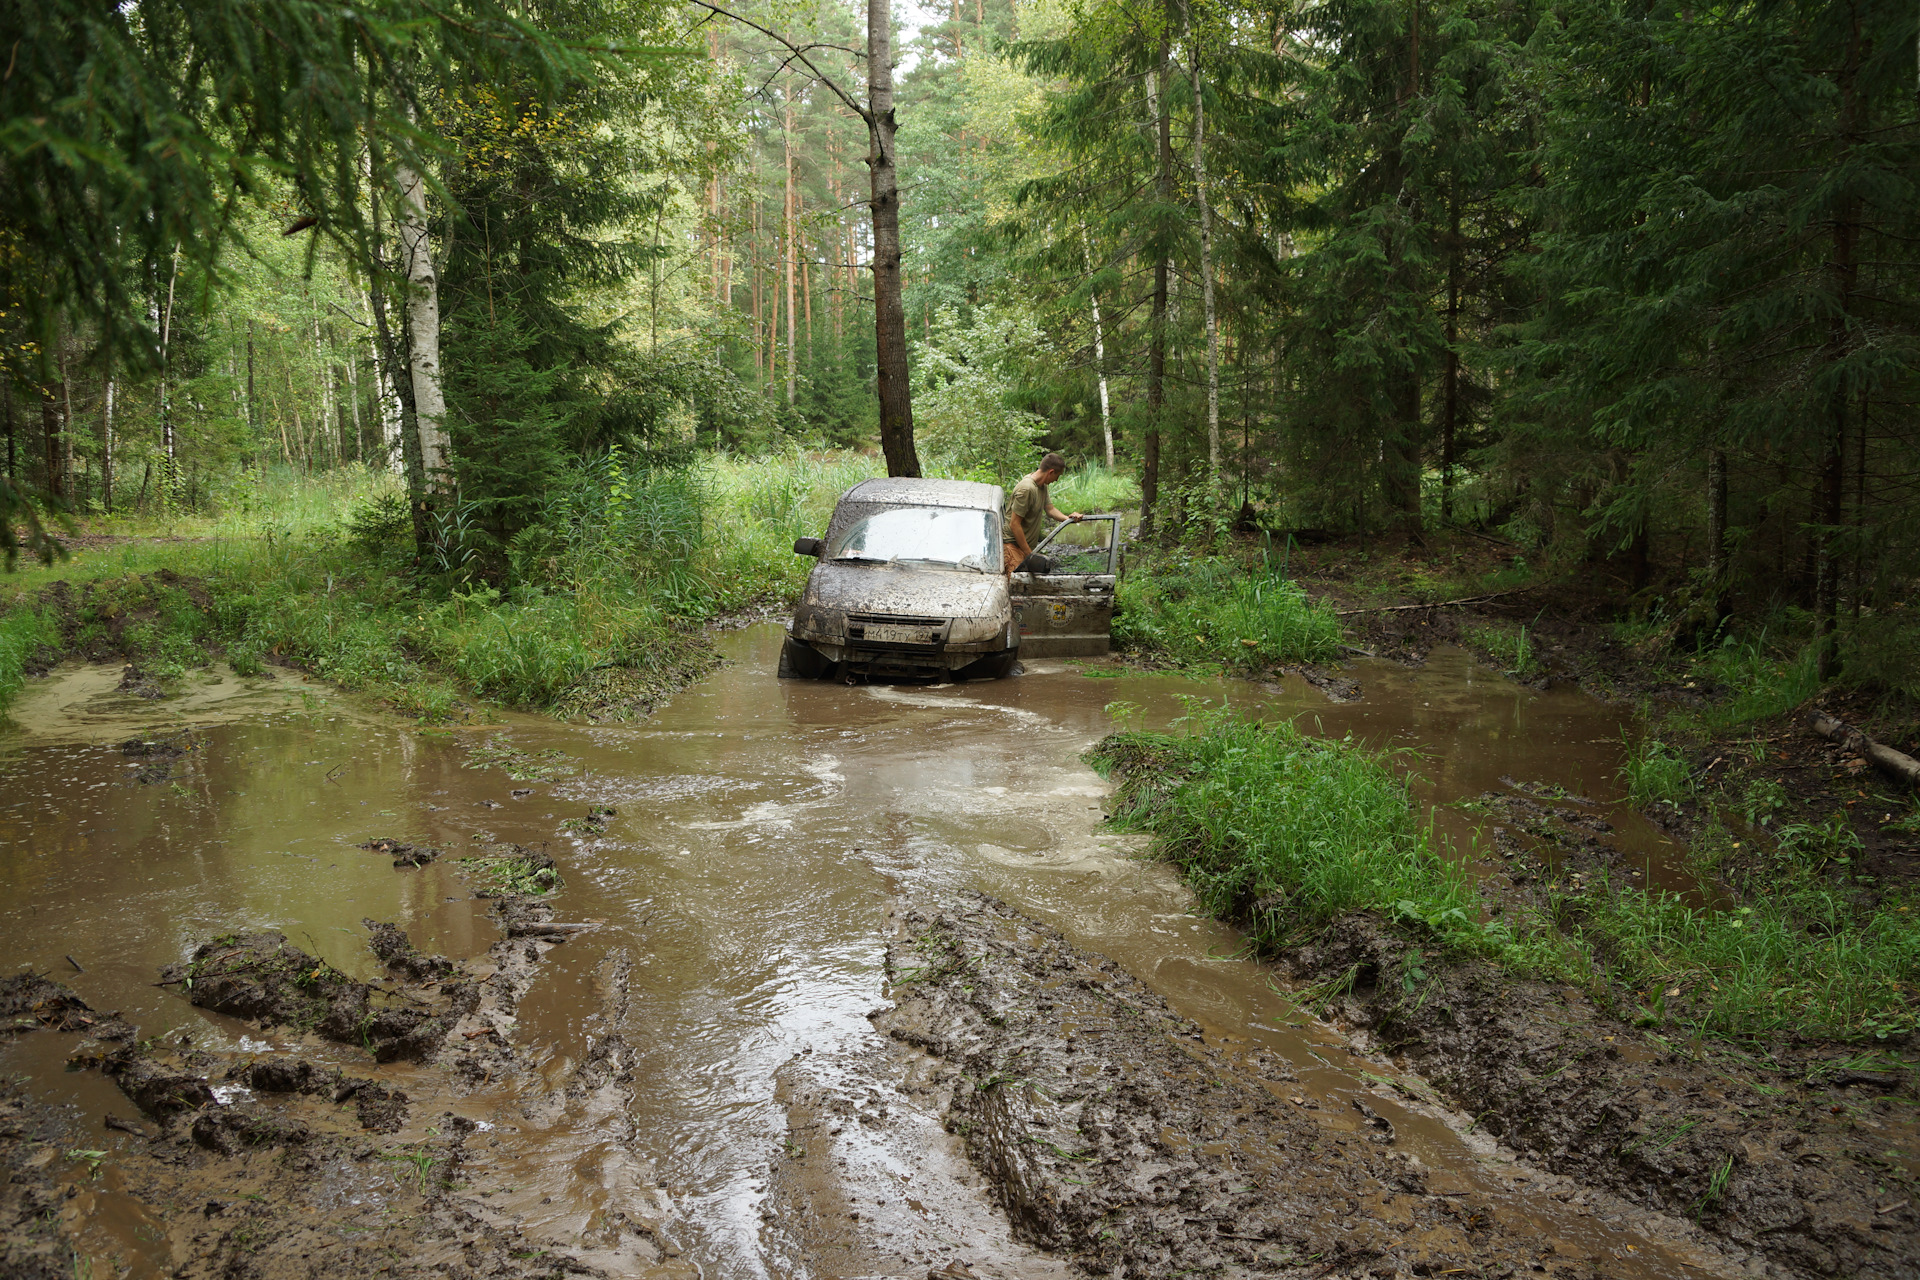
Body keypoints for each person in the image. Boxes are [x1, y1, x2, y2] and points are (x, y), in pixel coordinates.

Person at [1003, 452, 1082, 576]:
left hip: (1024, 547)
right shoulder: (1026, 489)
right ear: (1051, 472)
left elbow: (1050, 509)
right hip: (1013, 547)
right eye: (1057, 476)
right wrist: (1029, 554)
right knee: (1017, 587)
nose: (1056, 480)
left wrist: (1068, 519)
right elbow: (1014, 524)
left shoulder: (1042, 486)